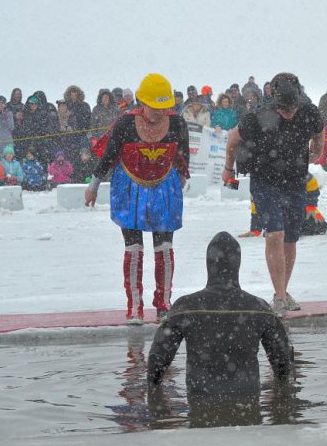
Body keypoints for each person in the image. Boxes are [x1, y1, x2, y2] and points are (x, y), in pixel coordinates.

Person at [147, 232, 294, 427]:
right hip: (247, 402)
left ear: (209, 265)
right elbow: (283, 362)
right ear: (237, 265)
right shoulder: (259, 308)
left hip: (201, 399)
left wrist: (154, 394)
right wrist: (282, 397)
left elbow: (157, 360)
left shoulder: (187, 307)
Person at [85, 73, 190, 325]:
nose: (160, 113)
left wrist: (182, 180)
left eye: (165, 108)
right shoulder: (125, 124)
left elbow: (183, 156)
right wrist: (93, 186)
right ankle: (134, 307)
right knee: (134, 249)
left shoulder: (177, 124)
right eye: (156, 108)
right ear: (143, 102)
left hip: (164, 189)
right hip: (129, 190)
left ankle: (164, 304)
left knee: (164, 248)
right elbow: (109, 156)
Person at [222, 72, 325, 315]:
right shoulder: (259, 115)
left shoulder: (308, 112)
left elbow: (320, 131)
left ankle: (283, 291)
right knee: (275, 233)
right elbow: (233, 138)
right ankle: (279, 297)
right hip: (264, 180)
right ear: (275, 100)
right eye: (283, 110)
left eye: (292, 109)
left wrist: (317, 150)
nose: (288, 114)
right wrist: (228, 169)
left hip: (294, 180)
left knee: (291, 237)